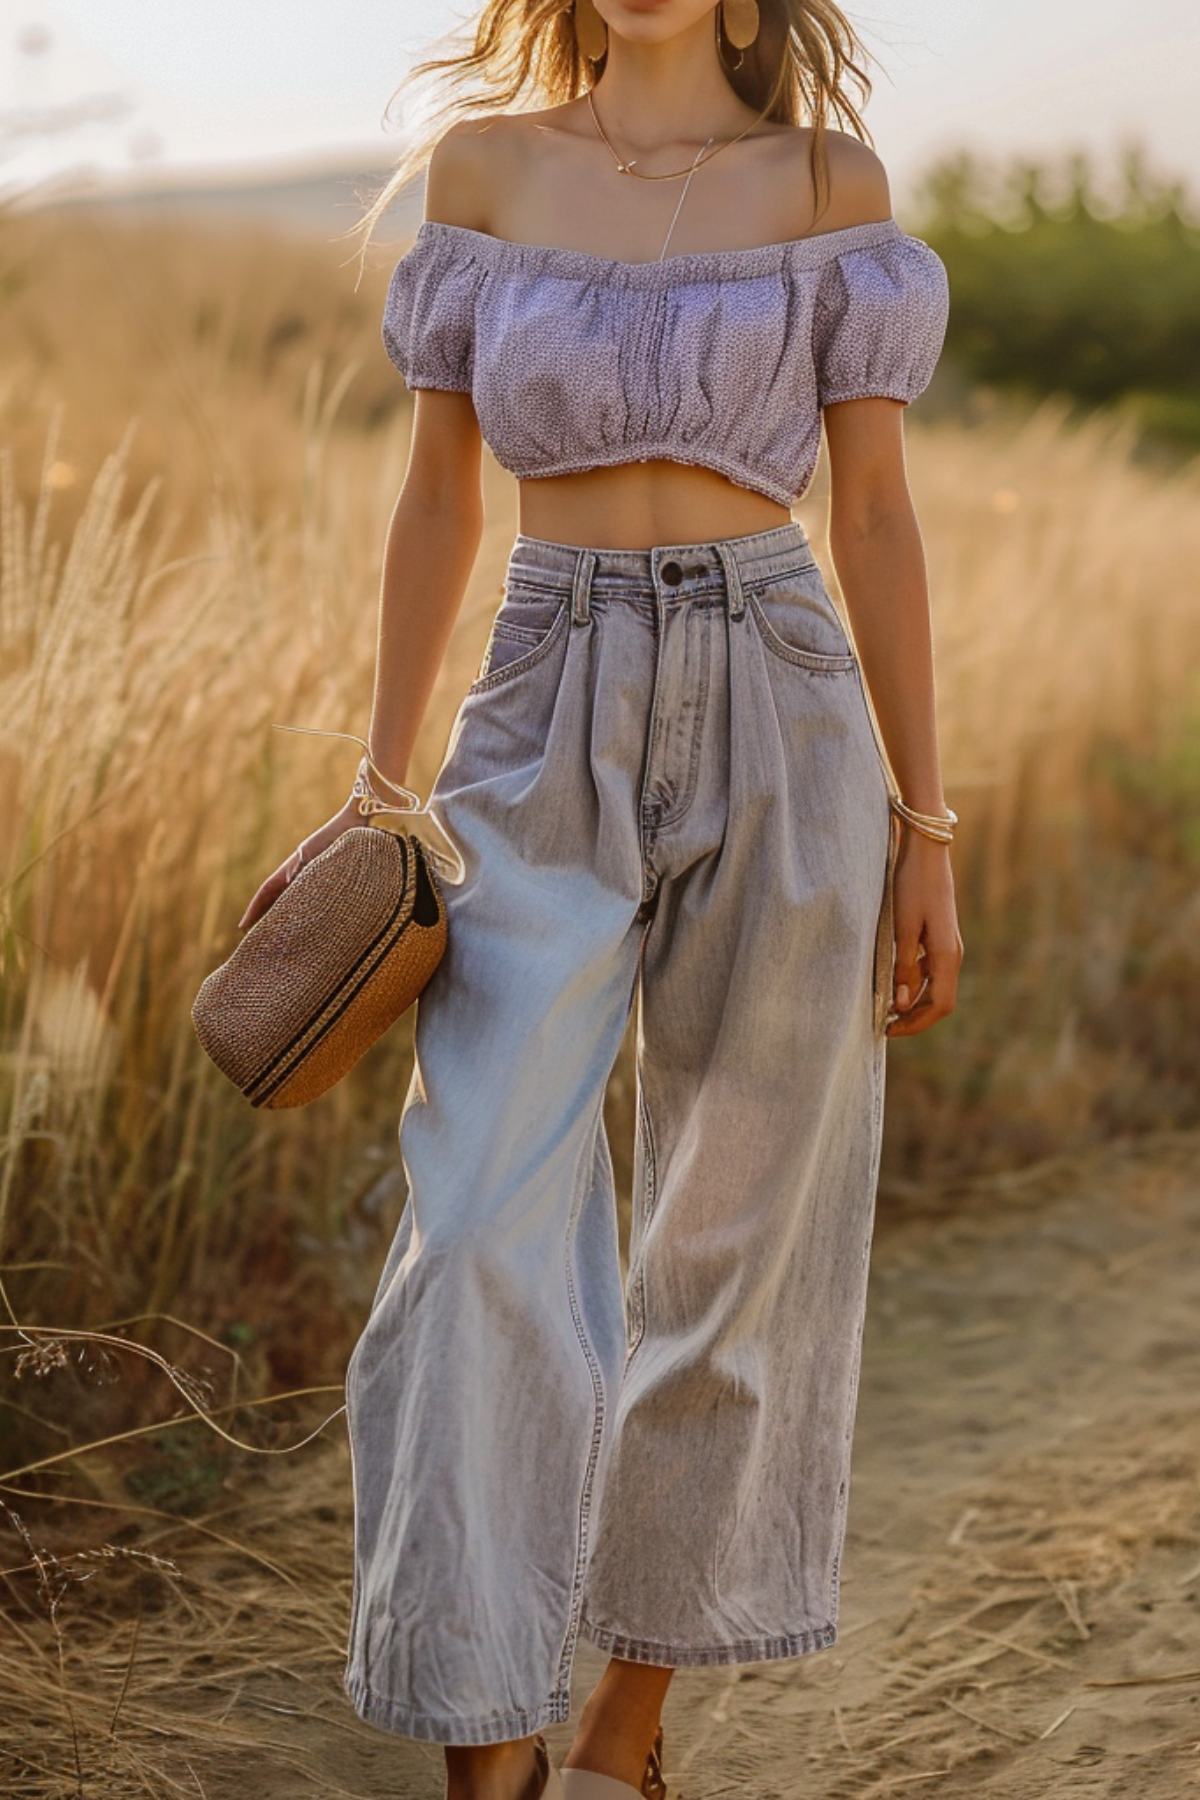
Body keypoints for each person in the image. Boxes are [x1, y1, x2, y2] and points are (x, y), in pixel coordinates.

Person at [240, 0, 963, 1793]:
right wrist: (382, 785)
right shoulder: (486, 170)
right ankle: (486, 1725)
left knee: (735, 1252)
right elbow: (436, 500)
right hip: (539, 699)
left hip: (783, 701)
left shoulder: (827, 186)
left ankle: (626, 1727)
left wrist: (927, 821)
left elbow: (872, 513)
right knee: (476, 1208)